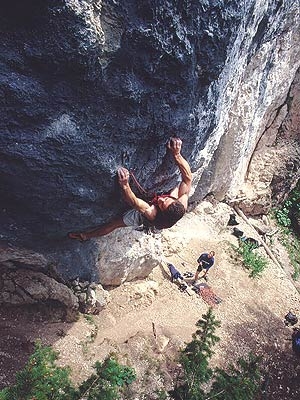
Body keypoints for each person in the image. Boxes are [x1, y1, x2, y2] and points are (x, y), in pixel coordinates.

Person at [68, 137, 192, 241]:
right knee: (176, 187)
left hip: (148, 217)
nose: (161, 200)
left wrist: (125, 184)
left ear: (161, 211)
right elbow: (187, 178)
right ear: (175, 200)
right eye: (166, 200)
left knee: (115, 224)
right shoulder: (181, 201)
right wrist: (176, 154)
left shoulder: (152, 214)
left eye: (162, 204)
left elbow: (134, 202)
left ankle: (85, 236)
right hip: (169, 208)